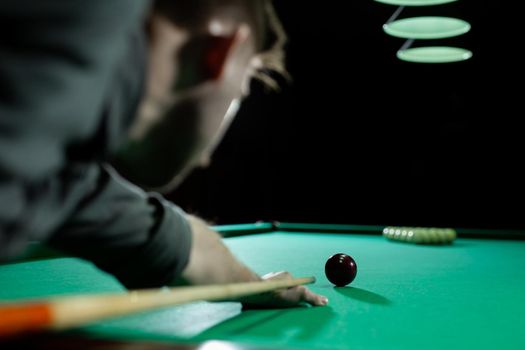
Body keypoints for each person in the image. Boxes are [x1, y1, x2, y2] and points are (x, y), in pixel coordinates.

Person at [0, 0, 328, 308]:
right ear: (222, 55)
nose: (205, 159)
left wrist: (253, 285)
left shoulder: (57, 167)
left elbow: (175, 243)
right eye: (237, 97)